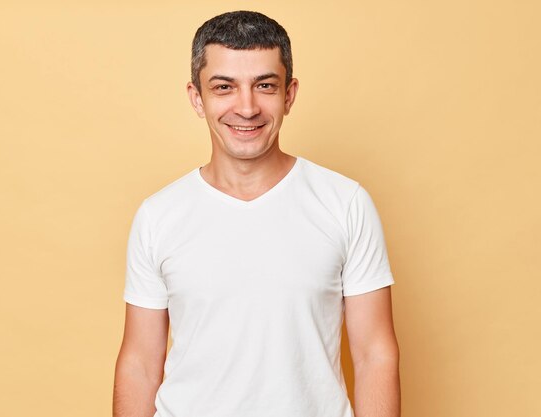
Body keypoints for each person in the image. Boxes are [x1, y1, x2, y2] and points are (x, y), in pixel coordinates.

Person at [113, 10, 400, 417]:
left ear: (289, 94)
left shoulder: (345, 203)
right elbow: (139, 364)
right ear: (197, 98)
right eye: (224, 87)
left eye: (264, 86)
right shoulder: (158, 216)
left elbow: (376, 355)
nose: (246, 107)